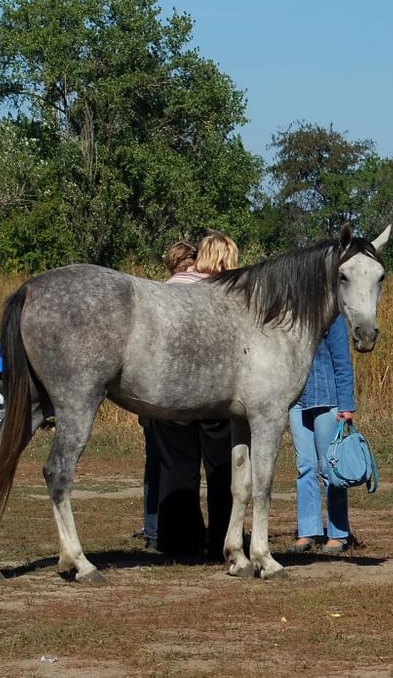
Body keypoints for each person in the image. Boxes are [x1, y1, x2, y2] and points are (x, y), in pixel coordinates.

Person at [149, 231, 239, 558]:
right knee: (221, 471)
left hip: (170, 391)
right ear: (223, 259)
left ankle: (177, 542)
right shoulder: (223, 293)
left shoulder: (168, 286)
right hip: (213, 393)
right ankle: (221, 540)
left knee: (176, 469)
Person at [135, 239, 198, 547]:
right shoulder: (187, 295)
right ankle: (174, 527)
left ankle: (152, 526)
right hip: (176, 391)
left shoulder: (155, 296)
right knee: (178, 462)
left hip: (147, 390)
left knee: (154, 463)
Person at [287, 314, 358, 555]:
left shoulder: (331, 317)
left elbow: (342, 361)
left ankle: (338, 532)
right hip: (296, 400)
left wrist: (346, 405)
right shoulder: (289, 316)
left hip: (327, 400)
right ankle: (307, 531)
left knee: (330, 468)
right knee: (304, 466)